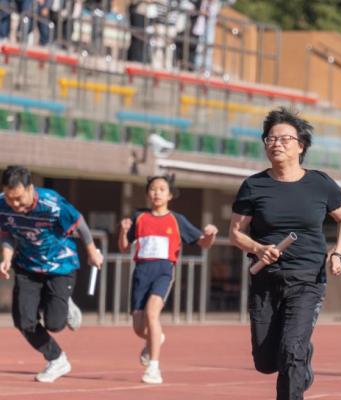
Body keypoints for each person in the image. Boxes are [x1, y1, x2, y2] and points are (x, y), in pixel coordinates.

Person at [229, 107, 341, 400]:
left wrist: (337, 253)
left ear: (301, 145)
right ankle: (303, 359)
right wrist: (258, 248)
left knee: (290, 351)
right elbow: (235, 233)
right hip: (266, 280)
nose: (277, 144)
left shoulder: (320, 183)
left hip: (307, 279)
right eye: (270, 139)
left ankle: (298, 357)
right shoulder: (254, 185)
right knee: (266, 361)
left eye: (285, 139)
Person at [0, 165, 104, 383]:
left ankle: (64, 303)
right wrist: (7, 258)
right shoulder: (2, 205)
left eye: (19, 198)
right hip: (27, 266)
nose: (15, 204)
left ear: (30, 189)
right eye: (10, 198)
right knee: (23, 321)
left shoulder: (52, 204)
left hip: (60, 266)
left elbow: (80, 224)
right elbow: (7, 232)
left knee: (55, 324)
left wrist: (92, 252)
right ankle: (56, 359)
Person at [118, 174, 218, 385]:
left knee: (152, 313)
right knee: (139, 328)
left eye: (162, 189)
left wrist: (211, 235)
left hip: (163, 272)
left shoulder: (177, 219)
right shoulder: (139, 217)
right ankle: (155, 339)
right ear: (148, 194)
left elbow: (203, 243)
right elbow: (124, 247)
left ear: (170, 195)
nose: (157, 193)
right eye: (153, 189)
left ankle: (154, 367)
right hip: (141, 273)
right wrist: (123, 231)